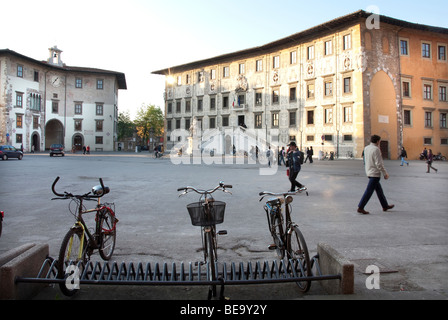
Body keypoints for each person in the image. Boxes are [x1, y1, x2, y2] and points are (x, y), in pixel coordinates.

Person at [357, 135, 394, 215]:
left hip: (369, 171)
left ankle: (385, 205)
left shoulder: (366, 148)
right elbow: (379, 163)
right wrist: (385, 173)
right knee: (369, 191)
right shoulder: (376, 149)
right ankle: (361, 207)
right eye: (379, 141)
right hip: (375, 173)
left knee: (379, 190)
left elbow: (365, 160)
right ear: (377, 141)